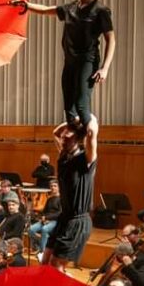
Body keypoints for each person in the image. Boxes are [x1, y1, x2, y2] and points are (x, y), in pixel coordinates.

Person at [11, 0, 117, 129]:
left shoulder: (100, 10)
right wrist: (26, 5)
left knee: (81, 105)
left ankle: (90, 140)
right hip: (70, 62)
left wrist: (105, 68)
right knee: (69, 111)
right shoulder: (71, 8)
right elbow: (47, 10)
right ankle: (76, 148)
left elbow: (111, 40)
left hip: (87, 61)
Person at [43, 115, 99, 271]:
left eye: (66, 138)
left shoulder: (86, 159)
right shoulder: (63, 157)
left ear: (77, 139)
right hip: (64, 217)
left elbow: (93, 132)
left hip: (77, 221)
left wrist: (86, 115)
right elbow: (55, 132)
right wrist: (70, 123)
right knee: (45, 259)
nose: (62, 140)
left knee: (56, 265)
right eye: (63, 138)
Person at [29, 180, 62, 258]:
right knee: (31, 229)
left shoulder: (61, 199)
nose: (53, 188)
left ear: (59, 187)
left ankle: (42, 252)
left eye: (55, 186)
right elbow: (44, 211)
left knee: (45, 229)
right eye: (51, 186)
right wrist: (43, 218)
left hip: (55, 221)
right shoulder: (50, 199)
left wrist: (47, 218)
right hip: (46, 220)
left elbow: (60, 213)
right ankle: (41, 243)